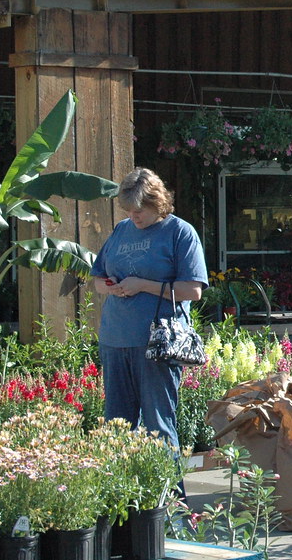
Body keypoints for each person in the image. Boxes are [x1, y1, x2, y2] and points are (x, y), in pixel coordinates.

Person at [91, 168, 208, 451]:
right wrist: (112, 286)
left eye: (140, 209)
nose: (134, 216)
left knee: (158, 424)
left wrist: (142, 285)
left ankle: (170, 495)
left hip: (158, 343)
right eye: (129, 210)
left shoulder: (180, 232)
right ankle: (122, 494)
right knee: (116, 426)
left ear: (157, 202)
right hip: (116, 339)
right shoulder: (121, 230)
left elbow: (192, 290)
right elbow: (97, 280)